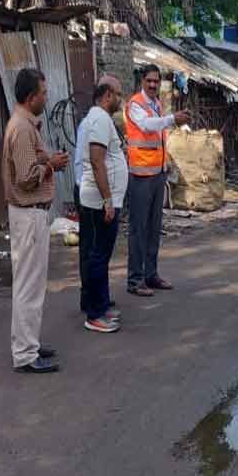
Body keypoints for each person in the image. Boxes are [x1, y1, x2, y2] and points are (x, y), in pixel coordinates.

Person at [2, 68, 68, 374]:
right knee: (29, 286)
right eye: (43, 92)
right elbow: (27, 179)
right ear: (31, 98)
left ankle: (28, 342)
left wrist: (48, 161)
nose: (46, 96)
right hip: (28, 214)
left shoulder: (25, 125)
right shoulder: (23, 128)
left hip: (28, 216)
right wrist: (50, 165)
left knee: (29, 284)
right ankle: (26, 354)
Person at [124, 64, 189, 297]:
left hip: (157, 174)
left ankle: (150, 274)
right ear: (142, 81)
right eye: (149, 81)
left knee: (153, 229)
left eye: (156, 81)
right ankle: (135, 279)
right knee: (138, 230)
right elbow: (147, 126)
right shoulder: (135, 105)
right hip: (141, 175)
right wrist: (172, 118)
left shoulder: (156, 105)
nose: (152, 85)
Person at [78, 75, 127, 333]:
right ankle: (95, 314)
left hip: (104, 201)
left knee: (101, 255)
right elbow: (97, 161)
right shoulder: (99, 119)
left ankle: (101, 303)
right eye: (118, 94)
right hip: (99, 203)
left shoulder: (101, 119)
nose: (120, 99)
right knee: (97, 256)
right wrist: (108, 200)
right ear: (107, 95)